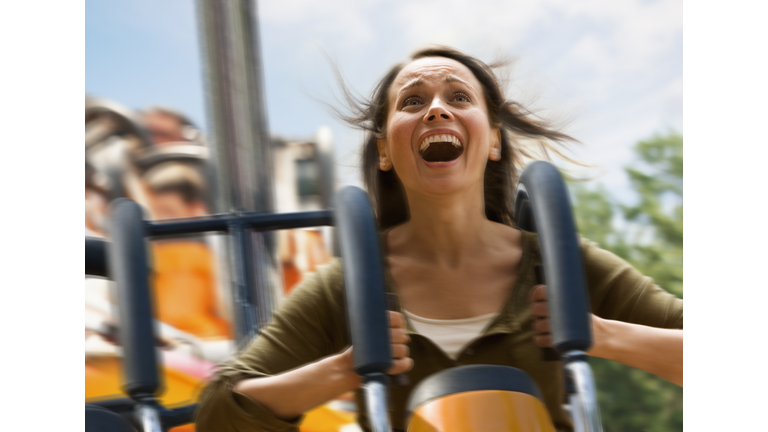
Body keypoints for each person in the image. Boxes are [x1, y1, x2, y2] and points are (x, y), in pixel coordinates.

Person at [195, 46, 683, 432]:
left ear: (493, 140)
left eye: (458, 97)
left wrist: (605, 335)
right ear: (384, 150)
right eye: (412, 101)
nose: (435, 111)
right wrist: (343, 370)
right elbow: (219, 411)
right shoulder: (344, 287)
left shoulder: (558, 263)